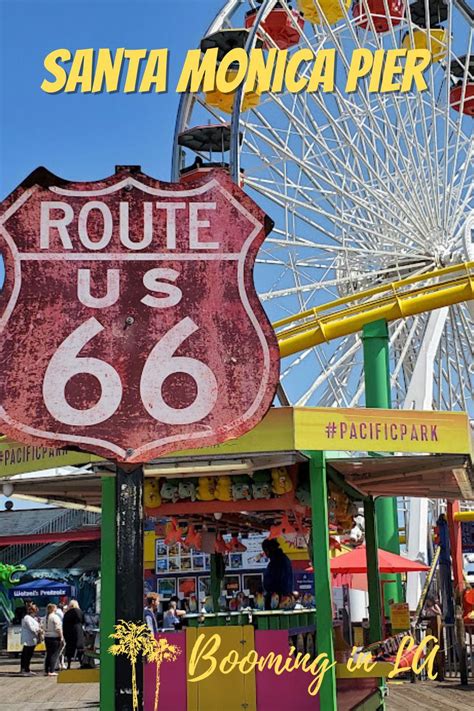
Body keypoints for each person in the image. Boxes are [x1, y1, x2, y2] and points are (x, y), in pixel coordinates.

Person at [262, 539, 293, 609]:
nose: (265, 553)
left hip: (277, 600)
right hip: (284, 598)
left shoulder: (276, 561)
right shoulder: (284, 559)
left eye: (265, 551)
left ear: (268, 549)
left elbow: (274, 581)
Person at [62, 600, 85, 669]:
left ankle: (69, 664)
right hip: (78, 631)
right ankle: (81, 662)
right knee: (80, 648)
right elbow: (83, 621)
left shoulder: (67, 613)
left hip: (69, 631)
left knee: (70, 648)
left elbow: (64, 624)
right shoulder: (80, 612)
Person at [20, 603, 41, 675]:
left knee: (29, 654)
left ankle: (26, 669)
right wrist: (39, 629)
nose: (36, 612)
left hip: (32, 639)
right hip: (28, 639)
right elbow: (32, 628)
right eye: (35, 610)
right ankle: (25, 669)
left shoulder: (33, 618)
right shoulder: (27, 618)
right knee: (26, 654)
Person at [44, 603, 64, 677]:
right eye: (55, 608)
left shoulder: (45, 617)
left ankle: (46, 670)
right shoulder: (55, 617)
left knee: (49, 654)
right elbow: (58, 628)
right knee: (54, 654)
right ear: (53, 609)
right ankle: (52, 670)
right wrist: (61, 637)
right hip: (54, 637)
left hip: (47, 636)